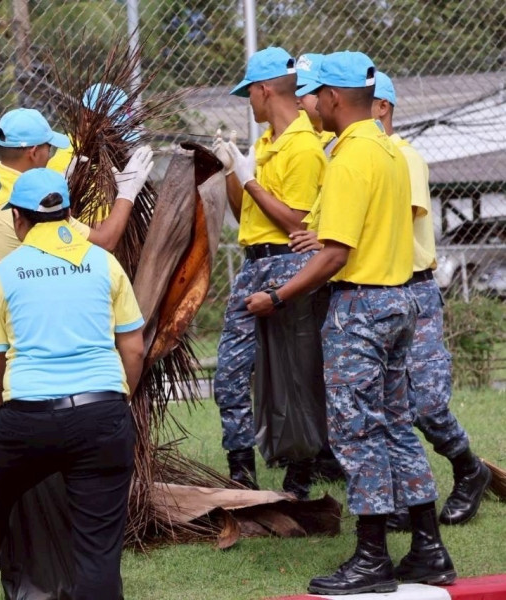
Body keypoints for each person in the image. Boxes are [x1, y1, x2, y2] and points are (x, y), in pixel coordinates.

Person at [244, 52, 455, 594]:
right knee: (395, 425)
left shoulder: (347, 158)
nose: (308, 103)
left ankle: (372, 557)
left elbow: (336, 254)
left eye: (315, 94)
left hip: (360, 309)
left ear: (334, 97)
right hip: (400, 301)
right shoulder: (388, 150)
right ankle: (428, 549)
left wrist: (279, 296)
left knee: (357, 432)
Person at [0, 168, 145, 600]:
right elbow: (132, 349)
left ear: (18, 218)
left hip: (28, 418)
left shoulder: (4, 273)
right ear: (68, 213)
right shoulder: (105, 263)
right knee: (98, 544)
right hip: (102, 413)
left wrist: (7, 408)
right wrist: (118, 402)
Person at [0, 107, 152, 471]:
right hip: (7, 329)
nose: (51, 155)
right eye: (48, 148)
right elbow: (105, 242)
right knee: (27, 438)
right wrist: (126, 193)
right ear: (34, 152)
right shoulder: (26, 207)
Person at [372, 72, 492, 531]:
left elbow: (396, 222)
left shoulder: (405, 158)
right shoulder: (361, 157)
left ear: (382, 107)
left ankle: (469, 468)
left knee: (425, 402)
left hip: (413, 289)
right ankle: (408, 499)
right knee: (388, 405)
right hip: (377, 290)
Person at [211, 46, 327, 491]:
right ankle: (241, 470)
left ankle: (300, 474)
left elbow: (296, 222)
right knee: (230, 373)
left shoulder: (304, 147)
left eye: (250, 94)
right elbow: (246, 215)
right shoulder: (264, 145)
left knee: (295, 375)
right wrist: (231, 172)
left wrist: (251, 179)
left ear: (264, 91)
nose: (250, 103)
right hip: (254, 263)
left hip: (290, 264)